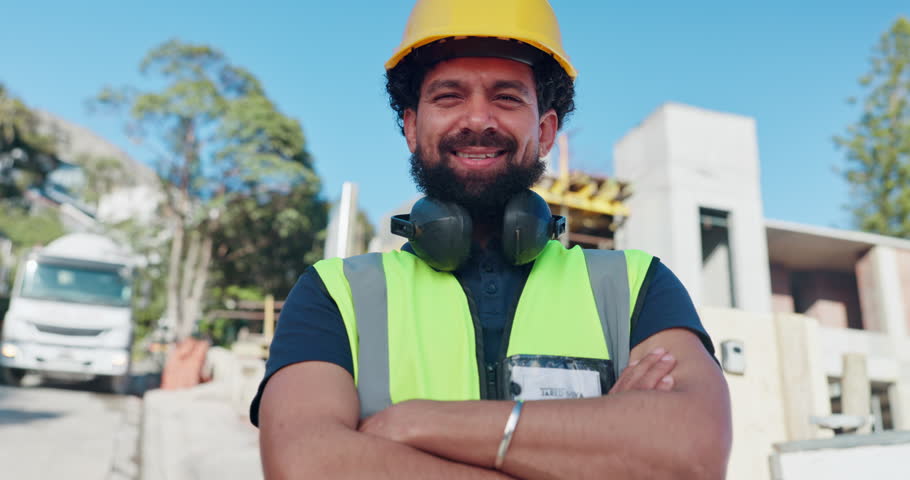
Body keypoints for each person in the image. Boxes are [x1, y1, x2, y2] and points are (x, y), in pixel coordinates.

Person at [253, 0, 732, 478]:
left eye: (506, 97)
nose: (478, 119)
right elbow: (305, 466)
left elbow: (693, 452)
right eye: (449, 96)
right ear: (412, 127)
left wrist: (414, 424)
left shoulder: (633, 285)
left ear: (545, 131)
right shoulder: (335, 295)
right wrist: (602, 446)